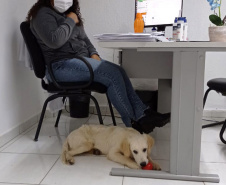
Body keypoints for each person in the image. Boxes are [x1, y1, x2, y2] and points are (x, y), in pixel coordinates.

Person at [26, 0, 170, 134]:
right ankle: (133, 123)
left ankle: (143, 114)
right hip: (60, 67)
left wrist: (94, 53)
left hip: (79, 62)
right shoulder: (42, 14)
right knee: (112, 74)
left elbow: (85, 40)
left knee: (118, 70)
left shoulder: (68, 14)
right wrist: (70, 20)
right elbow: (55, 40)